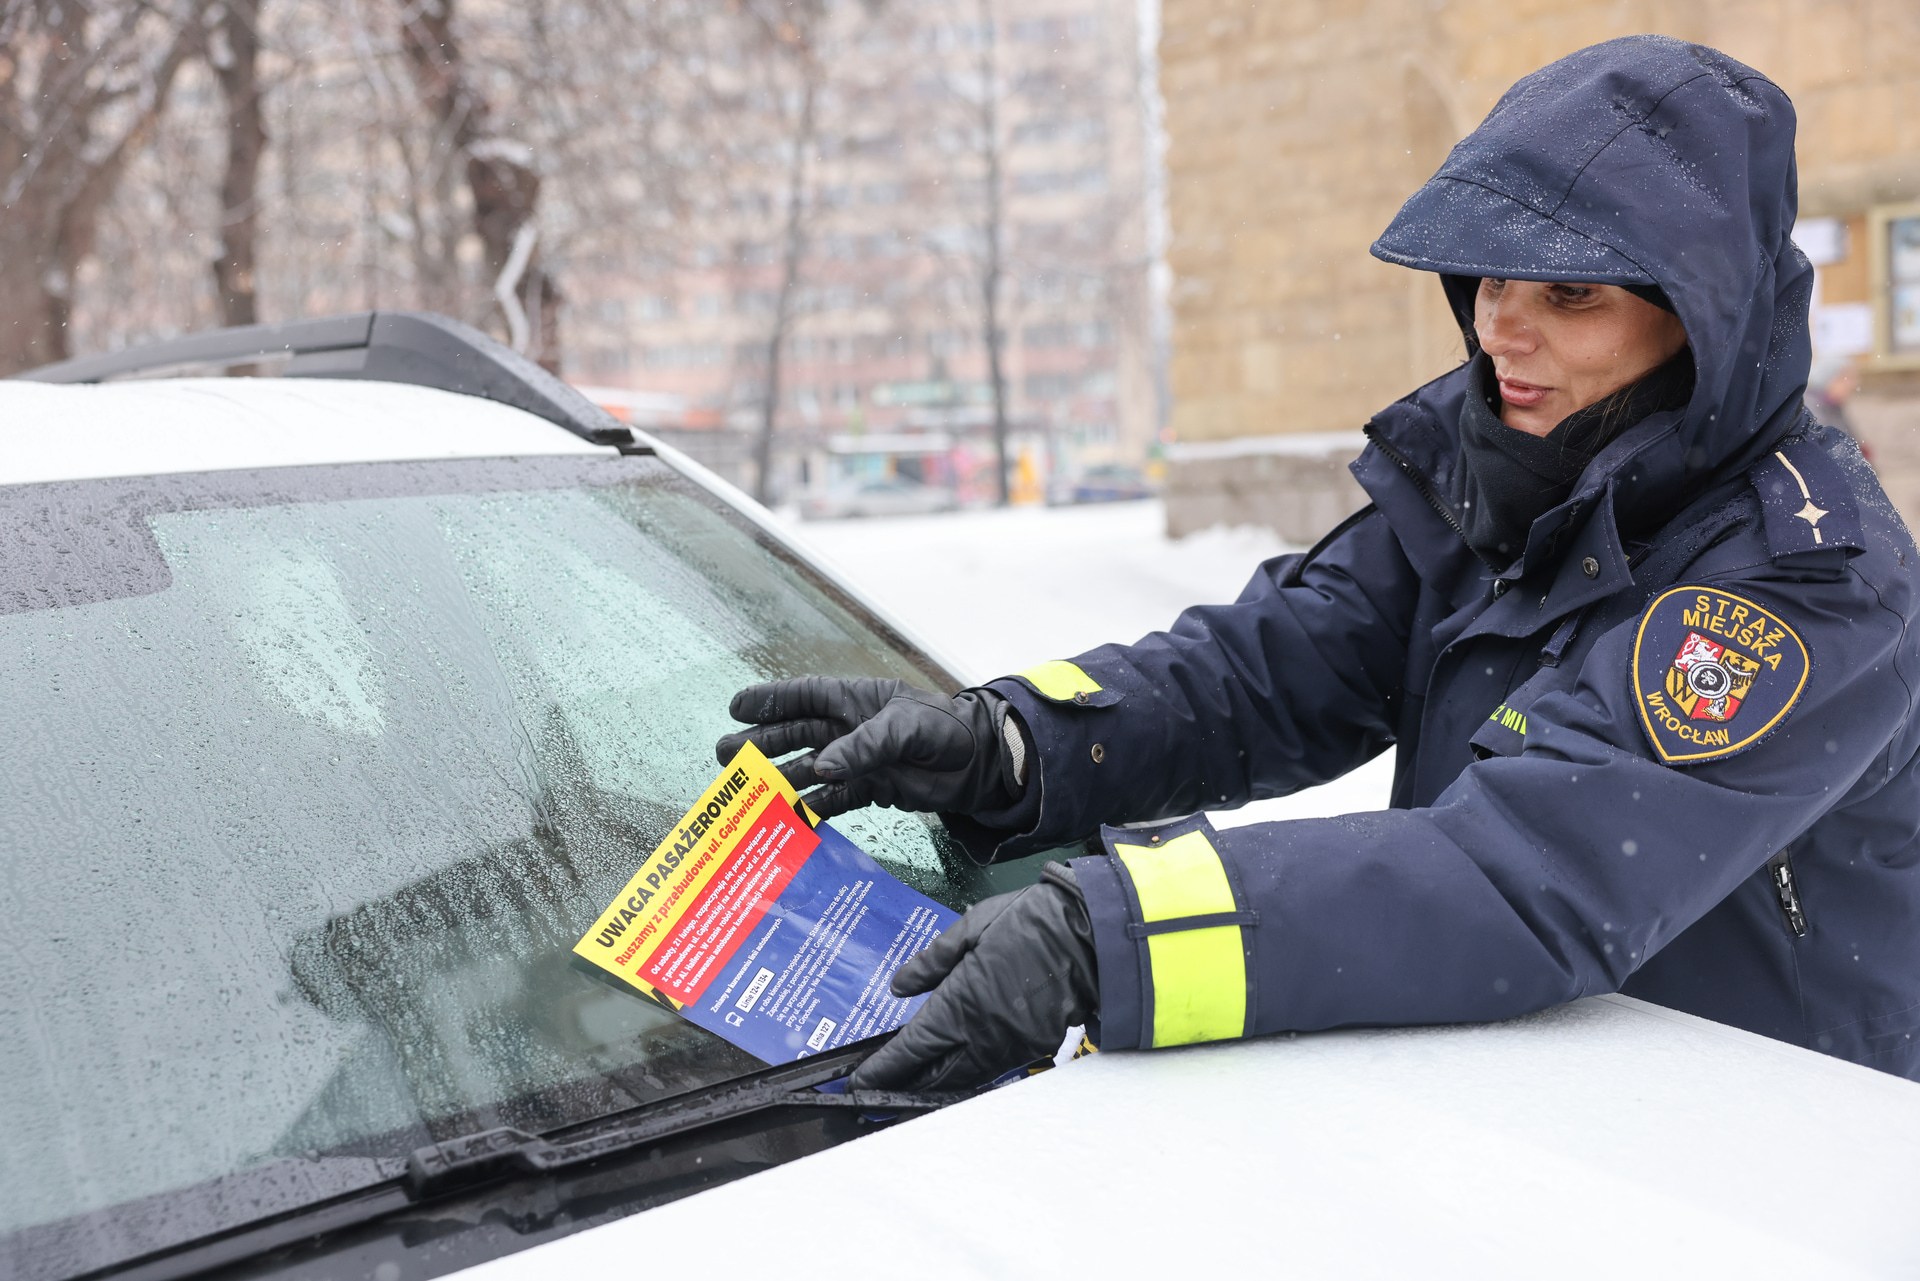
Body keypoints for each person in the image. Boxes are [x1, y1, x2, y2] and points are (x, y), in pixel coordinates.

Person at [718, 36, 1920, 1090]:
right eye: (1493, 277)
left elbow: (1524, 875)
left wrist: (1110, 939)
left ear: (1704, 321)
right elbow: (1266, 672)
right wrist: (1008, 744)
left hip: (1766, 1149)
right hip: (1524, 1107)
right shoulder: (1501, 472)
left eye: (1571, 293)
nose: (1503, 327)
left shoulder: (1809, 582)